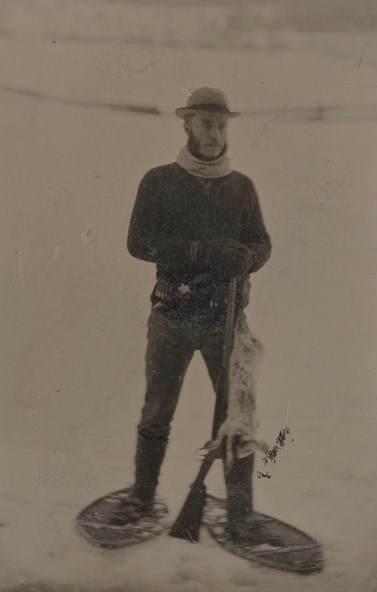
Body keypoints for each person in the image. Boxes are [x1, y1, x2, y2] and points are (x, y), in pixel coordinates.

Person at [117, 87, 272, 543]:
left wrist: (247, 259)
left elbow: (262, 242)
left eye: (222, 124)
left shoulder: (242, 186)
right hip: (172, 314)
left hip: (226, 321)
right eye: (206, 123)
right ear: (187, 125)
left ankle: (240, 515)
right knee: (156, 413)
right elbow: (138, 242)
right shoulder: (159, 180)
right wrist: (201, 251)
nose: (215, 132)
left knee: (236, 417)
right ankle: (143, 499)